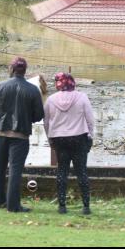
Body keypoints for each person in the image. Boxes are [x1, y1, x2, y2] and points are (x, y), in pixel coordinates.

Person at [0, 56, 44, 212]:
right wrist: (26, 117)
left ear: (11, 69)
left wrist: (1, 118)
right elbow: (39, 115)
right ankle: (13, 206)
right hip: (20, 137)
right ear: (25, 71)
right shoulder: (33, 90)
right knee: (15, 171)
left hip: (1, 134)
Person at [43, 72, 94, 215]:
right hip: (79, 138)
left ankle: (62, 206)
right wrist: (91, 136)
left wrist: (50, 138)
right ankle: (86, 206)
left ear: (58, 83)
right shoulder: (82, 97)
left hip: (60, 140)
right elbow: (90, 119)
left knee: (62, 172)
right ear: (72, 83)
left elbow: (46, 122)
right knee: (81, 172)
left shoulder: (50, 100)